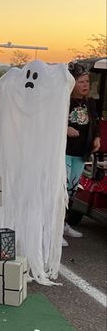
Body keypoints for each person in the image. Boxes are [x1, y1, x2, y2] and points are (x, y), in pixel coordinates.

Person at [64, 62, 101, 244]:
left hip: (81, 153)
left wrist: (97, 138)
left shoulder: (90, 104)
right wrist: (65, 128)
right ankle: (54, 228)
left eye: (87, 81)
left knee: (72, 190)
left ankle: (64, 224)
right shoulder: (63, 102)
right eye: (81, 82)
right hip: (64, 153)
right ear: (72, 84)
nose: (85, 85)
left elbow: (95, 124)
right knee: (61, 190)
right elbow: (50, 122)